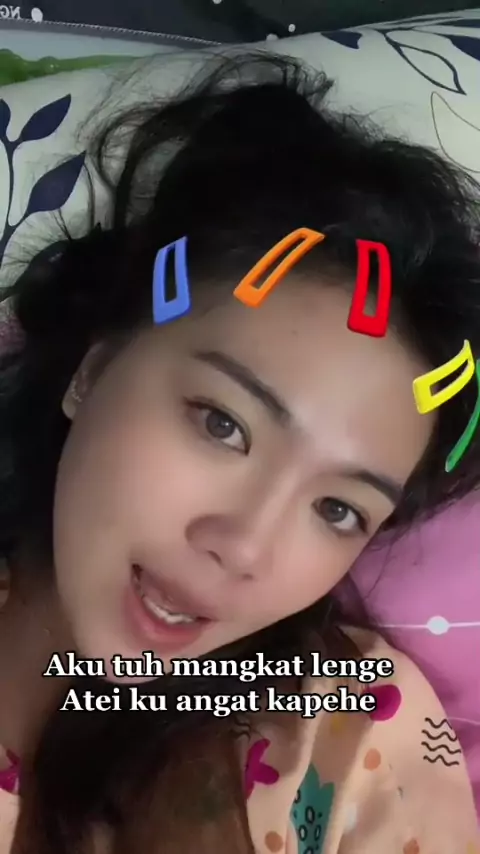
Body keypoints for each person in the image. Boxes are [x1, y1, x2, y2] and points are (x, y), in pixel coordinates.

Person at [0, 51, 478, 854]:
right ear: (95, 370)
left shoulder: (349, 730)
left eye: (338, 509)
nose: (246, 546)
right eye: (223, 424)